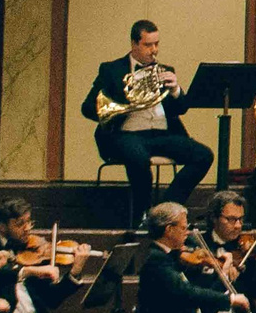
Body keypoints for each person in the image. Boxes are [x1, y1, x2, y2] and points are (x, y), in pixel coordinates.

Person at [80, 20, 212, 220]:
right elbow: (88, 107)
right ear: (134, 44)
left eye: (157, 44)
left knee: (204, 155)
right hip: (127, 133)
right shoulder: (112, 70)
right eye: (148, 45)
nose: (154, 50)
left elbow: (181, 108)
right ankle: (142, 216)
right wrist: (125, 104)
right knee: (138, 159)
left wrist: (175, 90)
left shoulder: (166, 70)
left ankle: (164, 210)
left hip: (162, 133)